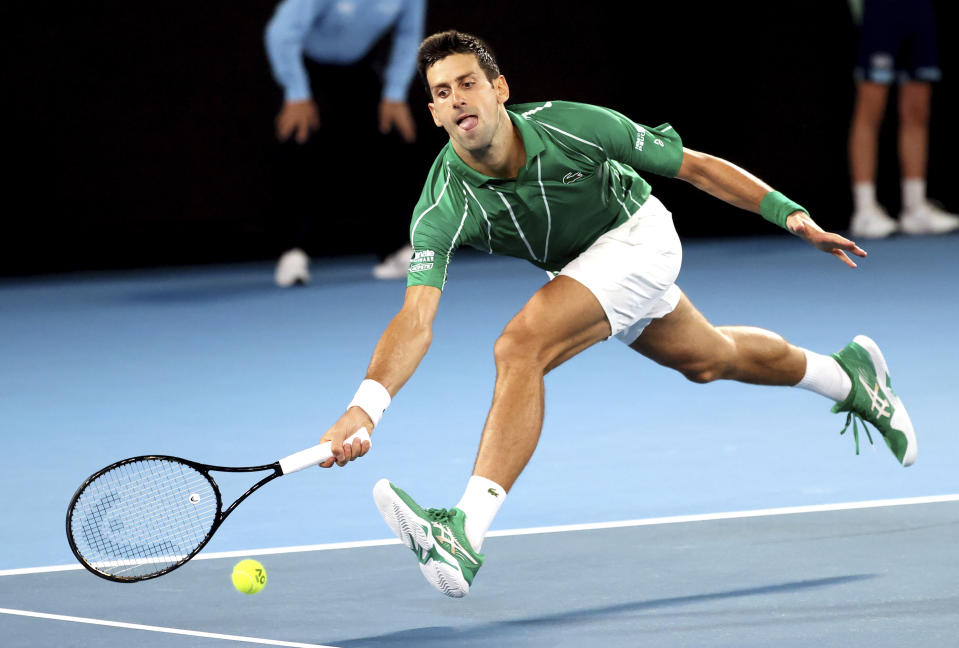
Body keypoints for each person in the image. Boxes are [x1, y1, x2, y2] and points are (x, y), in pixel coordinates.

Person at [319, 31, 919, 599]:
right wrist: (363, 406)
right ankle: (849, 377)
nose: (456, 100)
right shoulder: (443, 202)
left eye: (467, 83)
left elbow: (695, 166)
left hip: (637, 238)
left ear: (499, 89)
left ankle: (464, 534)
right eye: (442, 93)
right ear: (434, 115)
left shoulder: (572, 126)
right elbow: (416, 319)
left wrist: (791, 215)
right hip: (581, 270)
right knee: (710, 358)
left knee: (519, 347)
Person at [264, 0, 426, 286]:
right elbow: (281, 33)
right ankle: (293, 253)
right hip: (302, 64)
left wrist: (395, 93)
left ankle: (396, 249)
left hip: (358, 66)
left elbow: (409, 36)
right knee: (298, 143)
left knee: (391, 138)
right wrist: (295, 91)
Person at [848, 0, 959, 238]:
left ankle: (915, 207)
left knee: (917, 111)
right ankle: (865, 209)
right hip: (881, 10)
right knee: (870, 110)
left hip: (919, 9)